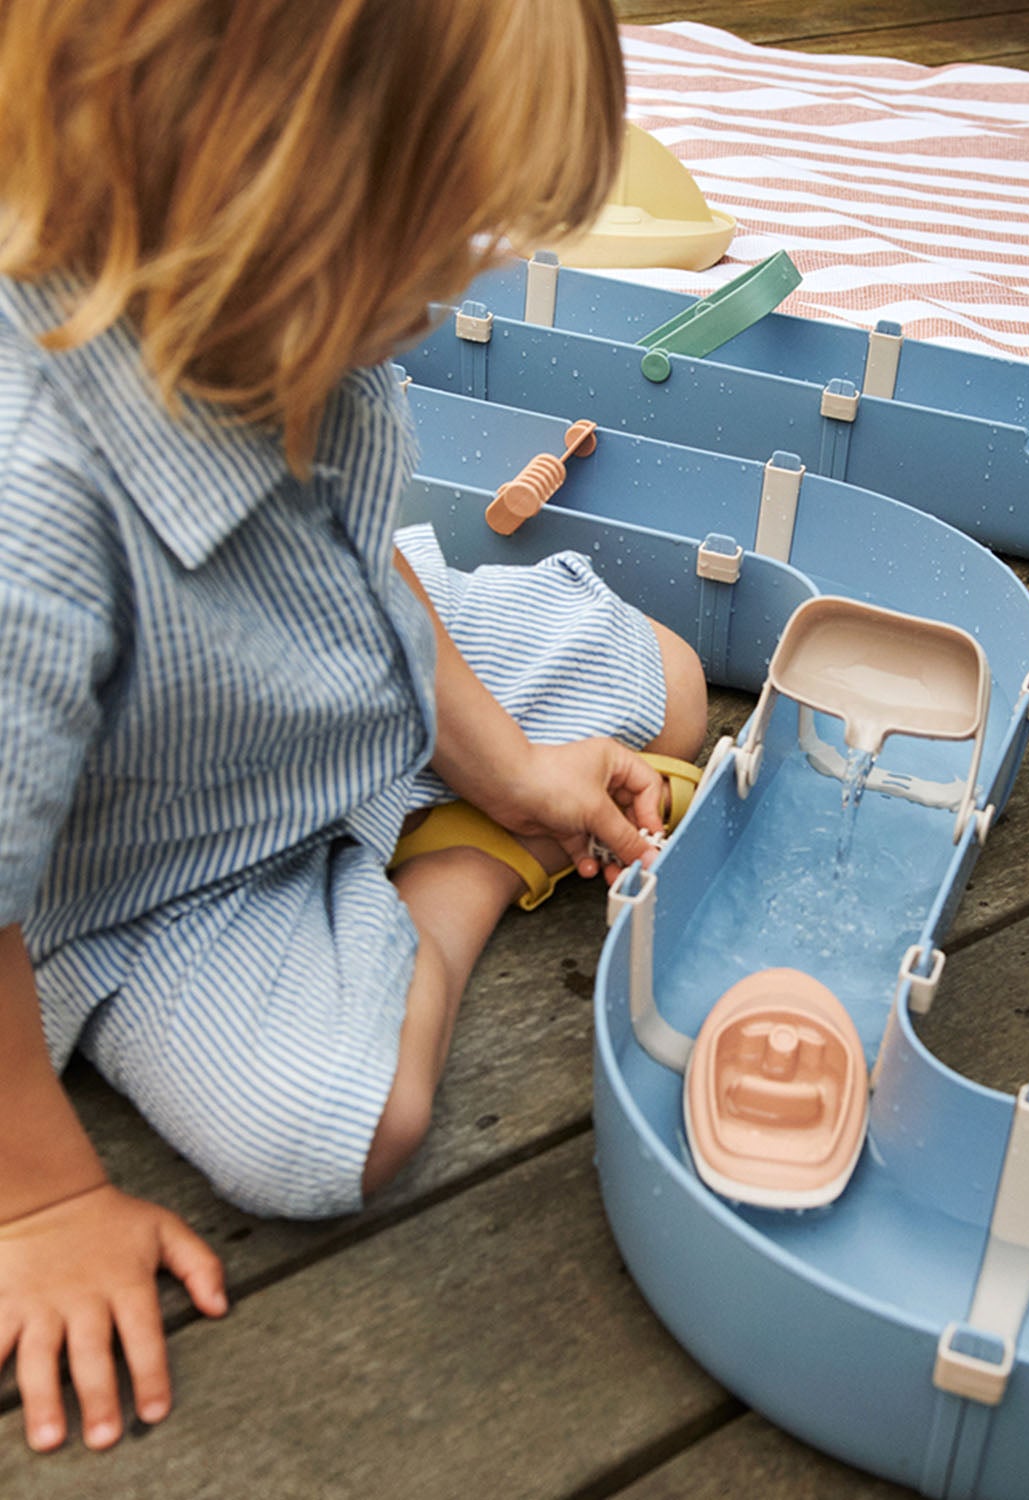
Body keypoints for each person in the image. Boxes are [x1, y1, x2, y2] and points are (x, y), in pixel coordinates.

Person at [0, 0, 707, 1456]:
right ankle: (460, 864)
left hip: (325, 668)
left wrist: (513, 764)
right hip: (153, 865)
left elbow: (357, 548)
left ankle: (476, 800)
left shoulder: (251, 296)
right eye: (434, 239)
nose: (454, 287)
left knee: (671, 681)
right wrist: (40, 1201)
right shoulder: (31, 513)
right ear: (259, 175)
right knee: (343, 1127)